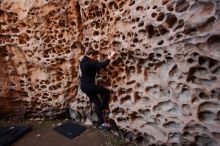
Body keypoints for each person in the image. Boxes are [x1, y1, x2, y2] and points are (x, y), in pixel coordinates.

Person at [80, 48, 116, 129]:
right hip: (88, 85)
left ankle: (102, 124)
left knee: (97, 102)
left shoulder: (83, 61)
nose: (96, 59)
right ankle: (103, 108)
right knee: (106, 92)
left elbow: (95, 66)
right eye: (95, 57)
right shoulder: (89, 62)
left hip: (83, 86)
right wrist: (111, 56)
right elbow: (102, 65)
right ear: (91, 55)